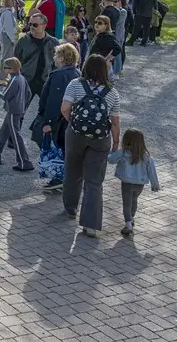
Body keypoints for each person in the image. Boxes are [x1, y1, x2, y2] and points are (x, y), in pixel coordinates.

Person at [62, 54, 121, 237]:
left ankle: (71, 209)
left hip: (76, 134)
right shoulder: (112, 92)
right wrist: (116, 142)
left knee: (72, 171)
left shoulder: (75, 84)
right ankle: (91, 225)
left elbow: (64, 108)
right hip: (100, 138)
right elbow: (115, 121)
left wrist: (73, 122)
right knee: (95, 181)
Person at [30, 43, 80, 189]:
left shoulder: (59, 75)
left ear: (62, 57)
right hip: (68, 119)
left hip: (58, 120)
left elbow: (54, 100)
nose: (54, 57)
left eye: (56, 55)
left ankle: (59, 177)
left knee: (54, 147)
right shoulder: (76, 72)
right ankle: (65, 176)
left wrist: (48, 122)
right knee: (64, 147)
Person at [0, 57, 34, 172]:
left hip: (13, 110)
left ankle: (24, 162)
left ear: (10, 69)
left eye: (5, 68)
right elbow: (29, 94)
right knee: (3, 132)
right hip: (19, 109)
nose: (4, 70)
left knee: (16, 136)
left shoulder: (14, 80)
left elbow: (5, 95)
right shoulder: (22, 78)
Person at [108, 129, 160, 237]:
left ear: (126, 140)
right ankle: (131, 217)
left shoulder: (123, 152)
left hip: (127, 183)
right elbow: (152, 170)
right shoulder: (145, 155)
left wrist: (111, 151)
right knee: (134, 200)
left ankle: (128, 225)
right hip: (139, 184)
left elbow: (111, 160)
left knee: (126, 203)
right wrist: (155, 185)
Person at [10, 12, 59, 105]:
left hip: (45, 81)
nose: (31, 27)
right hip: (27, 81)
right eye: (30, 24)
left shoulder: (53, 42)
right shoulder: (23, 41)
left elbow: (58, 63)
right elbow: (14, 61)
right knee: (19, 110)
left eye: (35, 25)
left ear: (44, 26)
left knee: (48, 109)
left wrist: (54, 79)